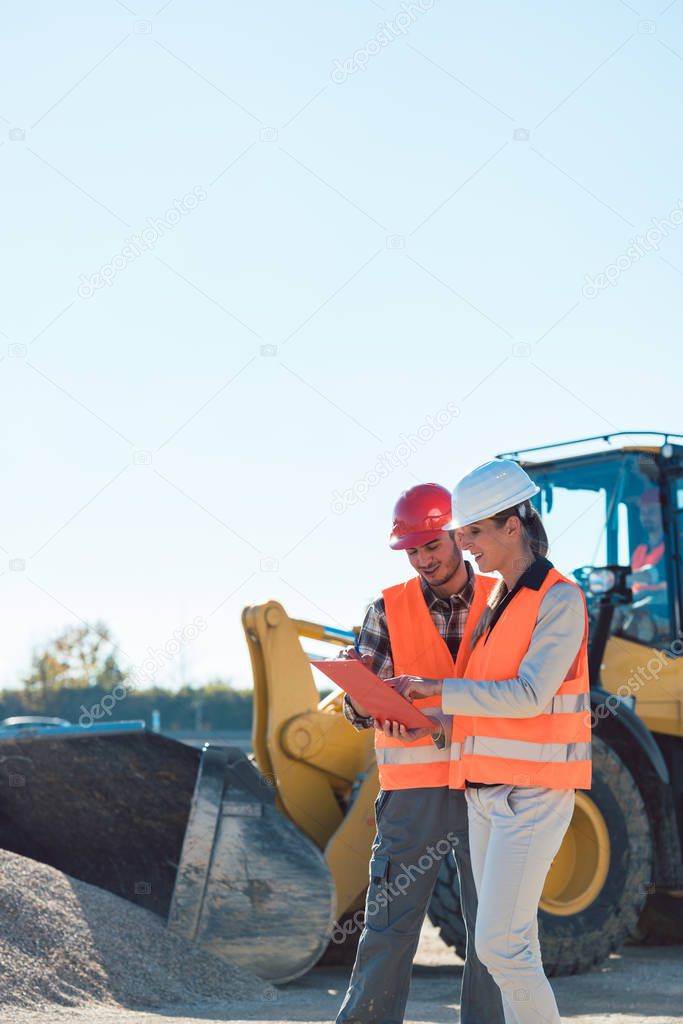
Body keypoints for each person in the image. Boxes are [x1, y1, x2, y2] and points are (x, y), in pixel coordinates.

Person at [388, 461, 591, 1024]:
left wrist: (438, 689)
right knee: (511, 941)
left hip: (531, 794)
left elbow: (527, 695)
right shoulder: (497, 600)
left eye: (473, 531)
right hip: (484, 793)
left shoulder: (559, 599)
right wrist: (429, 721)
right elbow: (486, 701)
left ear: (513, 526)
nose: (462, 544)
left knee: (498, 945)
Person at [336, 483, 504, 1024]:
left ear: (458, 535)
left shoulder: (506, 601)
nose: (422, 560)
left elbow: (522, 691)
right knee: (388, 928)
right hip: (413, 797)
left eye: (430, 546)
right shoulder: (386, 608)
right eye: (412, 551)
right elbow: (356, 709)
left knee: (493, 933)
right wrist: (364, 696)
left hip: (491, 788)